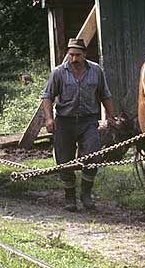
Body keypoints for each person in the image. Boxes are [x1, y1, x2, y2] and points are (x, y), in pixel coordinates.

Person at [40, 38, 116, 212]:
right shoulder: (58, 73)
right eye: (71, 54)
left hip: (88, 121)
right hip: (64, 122)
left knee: (93, 155)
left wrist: (111, 117)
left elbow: (105, 94)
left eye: (78, 55)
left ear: (84, 55)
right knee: (64, 161)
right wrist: (49, 119)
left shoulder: (96, 71)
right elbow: (47, 97)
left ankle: (86, 194)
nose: (74, 59)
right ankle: (70, 197)